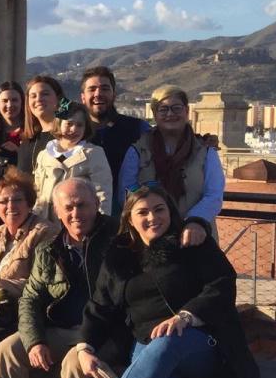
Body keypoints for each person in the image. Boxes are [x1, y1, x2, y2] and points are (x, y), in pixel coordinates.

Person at [73, 185, 259, 378]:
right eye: (142, 212)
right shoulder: (118, 257)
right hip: (147, 345)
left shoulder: (191, 243)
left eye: (160, 209)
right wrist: (84, 347)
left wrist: (187, 316)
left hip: (202, 343)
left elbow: (222, 284)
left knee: (169, 342)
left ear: (171, 212)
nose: (152, 217)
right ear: (129, 219)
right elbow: (100, 307)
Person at [0, 178, 115, 378]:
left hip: (104, 332)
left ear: (97, 205)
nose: (76, 213)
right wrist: (35, 340)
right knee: (9, 348)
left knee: (77, 361)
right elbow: (29, 300)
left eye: (82, 205)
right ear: (57, 212)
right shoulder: (50, 249)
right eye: (69, 207)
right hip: (61, 328)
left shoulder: (117, 240)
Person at [0, 169, 59, 378]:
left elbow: (41, 284)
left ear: (29, 203)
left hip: (23, 310)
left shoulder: (44, 232)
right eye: (3, 202)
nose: (10, 207)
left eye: (18, 200)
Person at [119, 85, 223, 245]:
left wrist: (194, 221)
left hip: (195, 235)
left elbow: (214, 195)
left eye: (176, 108)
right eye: (163, 109)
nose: (170, 114)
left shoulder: (205, 151)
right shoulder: (138, 151)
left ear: (187, 111)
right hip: (149, 238)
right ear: (154, 113)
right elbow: (127, 194)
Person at [81, 66, 150, 212]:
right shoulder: (73, 133)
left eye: (105, 89)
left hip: (129, 215)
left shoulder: (137, 128)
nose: (98, 94)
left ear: (114, 94)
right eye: (92, 89)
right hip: (83, 216)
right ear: (82, 97)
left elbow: (166, 143)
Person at [32, 101, 113, 219]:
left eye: (80, 125)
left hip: (78, 220)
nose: (74, 129)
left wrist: (100, 223)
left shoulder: (93, 153)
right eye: (69, 124)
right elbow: (38, 192)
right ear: (59, 124)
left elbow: (103, 194)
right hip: (46, 223)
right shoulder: (44, 155)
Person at [17, 75, 62, 174]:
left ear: (59, 99)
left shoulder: (69, 138)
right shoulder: (26, 143)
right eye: (33, 96)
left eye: (45, 94)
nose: (38, 99)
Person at [0, 81, 25, 153]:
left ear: (22, 102)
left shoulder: (32, 130)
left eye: (14, 100)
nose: (10, 105)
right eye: (5, 101)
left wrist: (18, 152)